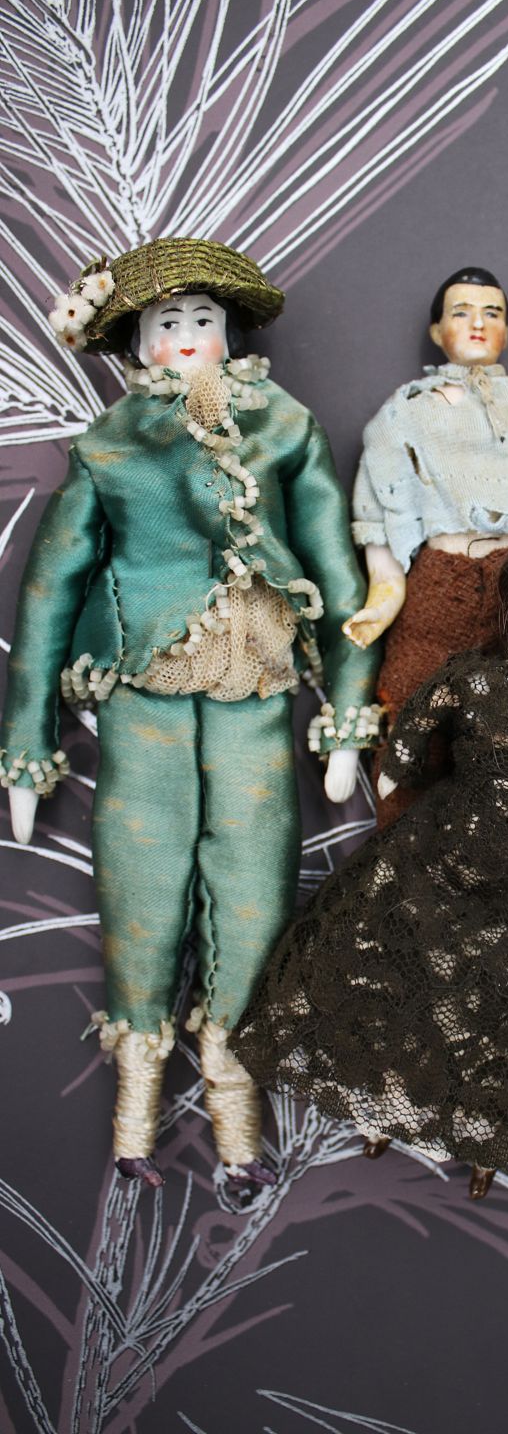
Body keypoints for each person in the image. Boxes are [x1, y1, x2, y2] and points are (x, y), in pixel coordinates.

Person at [1, 238, 380, 1187]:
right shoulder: (111, 444)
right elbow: (49, 590)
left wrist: (345, 714)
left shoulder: (284, 427)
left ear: (229, 335)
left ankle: (237, 1115)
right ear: (137, 342)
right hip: (146, 682)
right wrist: (27, 739)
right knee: (140, 871)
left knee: (256, 878)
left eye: (204, 321)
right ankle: (136, 1104)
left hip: (256, 678)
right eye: (167, 323)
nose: (186, 338)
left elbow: (337, 573)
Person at [231, 541, 508, 1198]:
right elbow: (419, 719)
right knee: (404, 974)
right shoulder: (473, 678)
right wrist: (396, 769)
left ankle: (487, 1138)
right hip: (447, 849)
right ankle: (383, 1103)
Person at [342, 266, 508, 822]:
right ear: (437, 331)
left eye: (492, 313)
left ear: (506, 330)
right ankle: (405, 844)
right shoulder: (404, 411)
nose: (477, 323)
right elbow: (376, 515)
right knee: (413, 697)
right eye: (461, 312)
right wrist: (384, 592)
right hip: (437, 576)